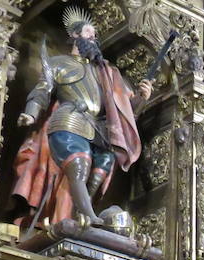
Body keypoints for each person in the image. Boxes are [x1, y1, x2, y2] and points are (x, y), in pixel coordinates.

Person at [13, 7, 151, 228]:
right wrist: (30, 113)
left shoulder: (105, 72)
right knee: (78, 165)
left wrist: (141, 98)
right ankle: (90, 218)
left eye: (95, 35)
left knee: (99, 172)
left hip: (99, 129)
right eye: (89, 33)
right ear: (75, 36)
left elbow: (121, 107)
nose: (94, 38)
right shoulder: (58, 63)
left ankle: (80, 216)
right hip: (70, 120)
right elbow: (42, 90)